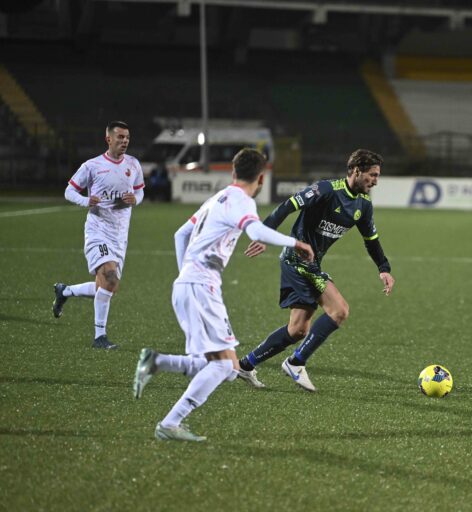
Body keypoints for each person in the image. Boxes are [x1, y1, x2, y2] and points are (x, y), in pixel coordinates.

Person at [132, 148, 313, 442]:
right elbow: (256, 232)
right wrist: (296, 243)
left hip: (190, 285)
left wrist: (185, 274)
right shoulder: (241, 200)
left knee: (227, 367)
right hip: (200, 287)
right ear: (262, 178)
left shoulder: (217, 197)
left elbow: (181, 234)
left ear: (233, 173)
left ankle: (157, 362)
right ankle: (170, 422)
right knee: (223, 365)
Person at [238, 148, 395, 392]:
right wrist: (264, 234)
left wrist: (383, 268)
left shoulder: (363, 205)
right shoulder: (326, 189)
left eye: (377, 176)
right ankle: (295, 363)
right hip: (296, 261)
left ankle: (246, 365)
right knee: (339, 310)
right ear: (356, 170)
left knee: (298, 329)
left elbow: (371, 239)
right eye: (372, 175)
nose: (375, 181)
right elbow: (288, 206)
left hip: (312, 264)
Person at [52, 121, 144, 349]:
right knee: (110, 278)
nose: (125, 141)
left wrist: (136, 199)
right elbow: (69, 190)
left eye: (127, 138)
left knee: (107, 285)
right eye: (120, 137)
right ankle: (99, 337)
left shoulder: (133, 164)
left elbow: (140, 191)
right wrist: (85, 200)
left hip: (120, 235)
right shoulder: (92, 166)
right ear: (108, 139)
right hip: (98, 231)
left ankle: (65, 291)